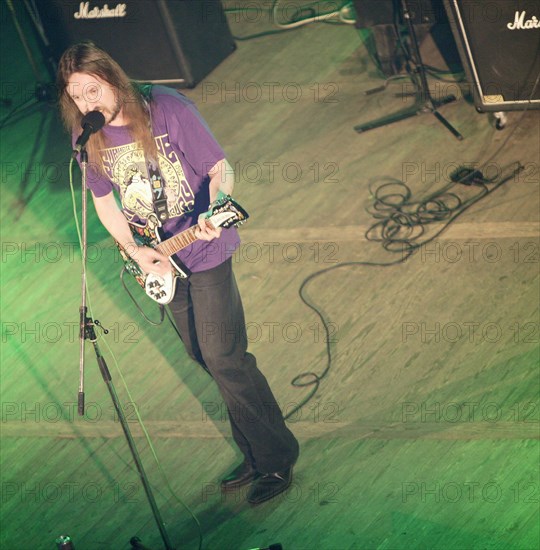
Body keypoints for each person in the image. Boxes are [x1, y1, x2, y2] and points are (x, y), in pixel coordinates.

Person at [57, 41, 299, 505]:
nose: (87, 103)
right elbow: (104, 200)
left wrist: (216, 208)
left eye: (93, 89)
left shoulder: (166, 109)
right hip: (159, 257)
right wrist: (135, 251)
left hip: (205, 248)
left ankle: (276, 456)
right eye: (77, 95)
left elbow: (219, 168)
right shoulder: (88, 139)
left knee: (225, 357)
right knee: (204, 357)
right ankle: (254, 451)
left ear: (112, 79)